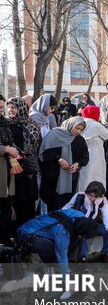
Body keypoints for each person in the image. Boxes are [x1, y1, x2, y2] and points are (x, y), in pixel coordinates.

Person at [16, 210, 98, 274]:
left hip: (47, 232)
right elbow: (62, 256)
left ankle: (63, 266)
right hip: (26, 234)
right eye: (82, 235)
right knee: (47, 246)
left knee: (75, 239)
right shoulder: (62, 232)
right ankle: (53, 267)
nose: (81, 237)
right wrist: (66, 279)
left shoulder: (80, 216)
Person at [39, 116, 89, 211]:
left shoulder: (79, 140)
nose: (78, 131)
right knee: (52, 204)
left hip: (70, 178)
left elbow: (85, 157)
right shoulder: (54, 134)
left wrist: (77, 164)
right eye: (77, 128)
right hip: (53, 176)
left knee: (67, 204)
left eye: (81, 130)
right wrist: (59, 159)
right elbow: (45, 153)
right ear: (70, 125)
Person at [6, 97, 41, 233]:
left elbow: (36, 146)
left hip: (29, 170)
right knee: (14, 203)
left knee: (28, 203)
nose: (10, 110)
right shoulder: (6, 125)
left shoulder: (32, 124)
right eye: (9, 107)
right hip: (12, 169)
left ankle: (28, 235)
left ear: (21, 108)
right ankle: (13, 234)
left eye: (13, 107)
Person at [63, 181, 108, 260]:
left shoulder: (103, 202)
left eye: (96, 196)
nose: (92, 198)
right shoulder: (80, 196)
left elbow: (107, 216)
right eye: (90, 195)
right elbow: (65, 208)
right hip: (79, 225)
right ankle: (83, 257)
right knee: (83, 231)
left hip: (94, 225)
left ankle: (106, 253)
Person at [79, 106, 108, 191]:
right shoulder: (96, 125)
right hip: (95, 153)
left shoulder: (80, 122)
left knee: (83, 176)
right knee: (95, 175)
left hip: (81, 152)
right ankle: (96, 194)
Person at [0, 112, 17, 245]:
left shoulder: (5, 123)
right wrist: (5, 149)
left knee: (6, 207)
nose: (2, 110)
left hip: (7, 171)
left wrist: (12, 152)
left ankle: (4, 239)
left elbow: (11, 144)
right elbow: (7, 147)